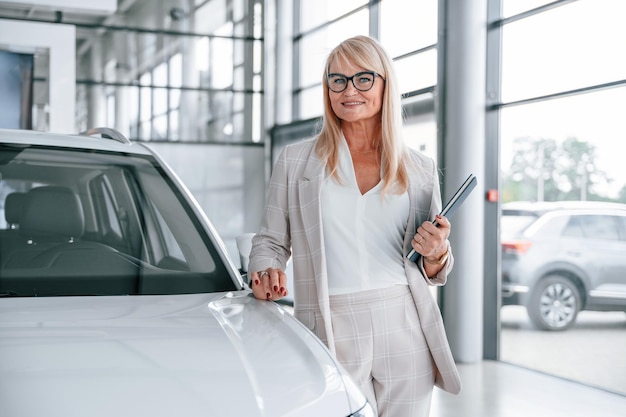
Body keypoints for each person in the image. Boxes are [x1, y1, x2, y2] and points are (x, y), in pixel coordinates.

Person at [248, 35, 461, 417]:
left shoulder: (420, 169)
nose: (350, 90)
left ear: (384, 84)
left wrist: (436, 253)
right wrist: (267, 267)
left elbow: (434, 266)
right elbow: (270, 240)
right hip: (329, 323)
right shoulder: (296, 161)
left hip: (404, 322)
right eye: (338, 80)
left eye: (363, 79)